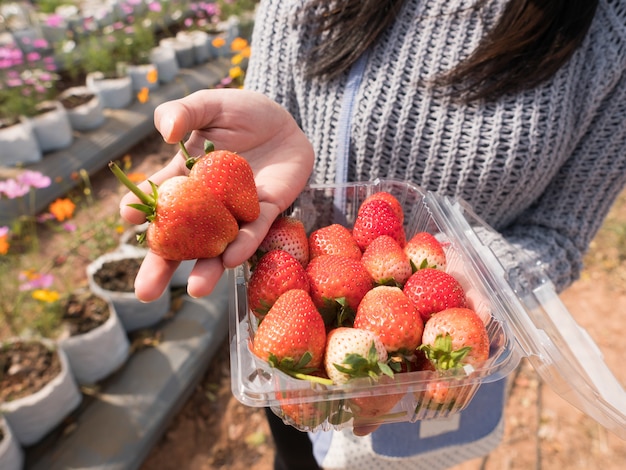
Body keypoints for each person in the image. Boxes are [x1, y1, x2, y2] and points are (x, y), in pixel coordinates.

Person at [119, 0, 626, 468]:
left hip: (427, 357)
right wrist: (253, 166)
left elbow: (559, 235)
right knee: (295, 450)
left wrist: (486, 270)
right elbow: (263, 129)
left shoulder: (611, 32)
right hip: (295, 340)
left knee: (408, 456)